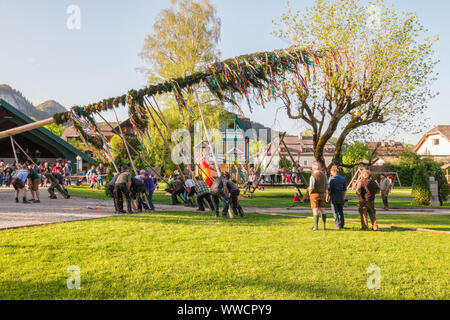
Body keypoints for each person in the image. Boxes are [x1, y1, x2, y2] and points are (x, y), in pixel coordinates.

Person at [308, 162, 329, 231]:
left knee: (315, 209)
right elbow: (327, 185)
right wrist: (327, 194)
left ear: (314, 168)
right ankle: (324, 227)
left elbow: (311, 187)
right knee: (322, 209)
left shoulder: (313, 176)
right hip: (322, 194)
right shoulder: (324, 175)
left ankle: (315, 227)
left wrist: (309, 194)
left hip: (314, 194)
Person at [327, 165, 347, 229]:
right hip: (340, 196)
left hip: (334, 196)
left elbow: (329, 189)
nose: (330, 173)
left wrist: (327, 197)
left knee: (335, 212)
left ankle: (337, 225)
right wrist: (343, 197)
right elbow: (344, 189)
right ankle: (342, 224)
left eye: (331, 171)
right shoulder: (343, 178)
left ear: (333, 171)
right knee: (341, 211)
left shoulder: (332, 179)